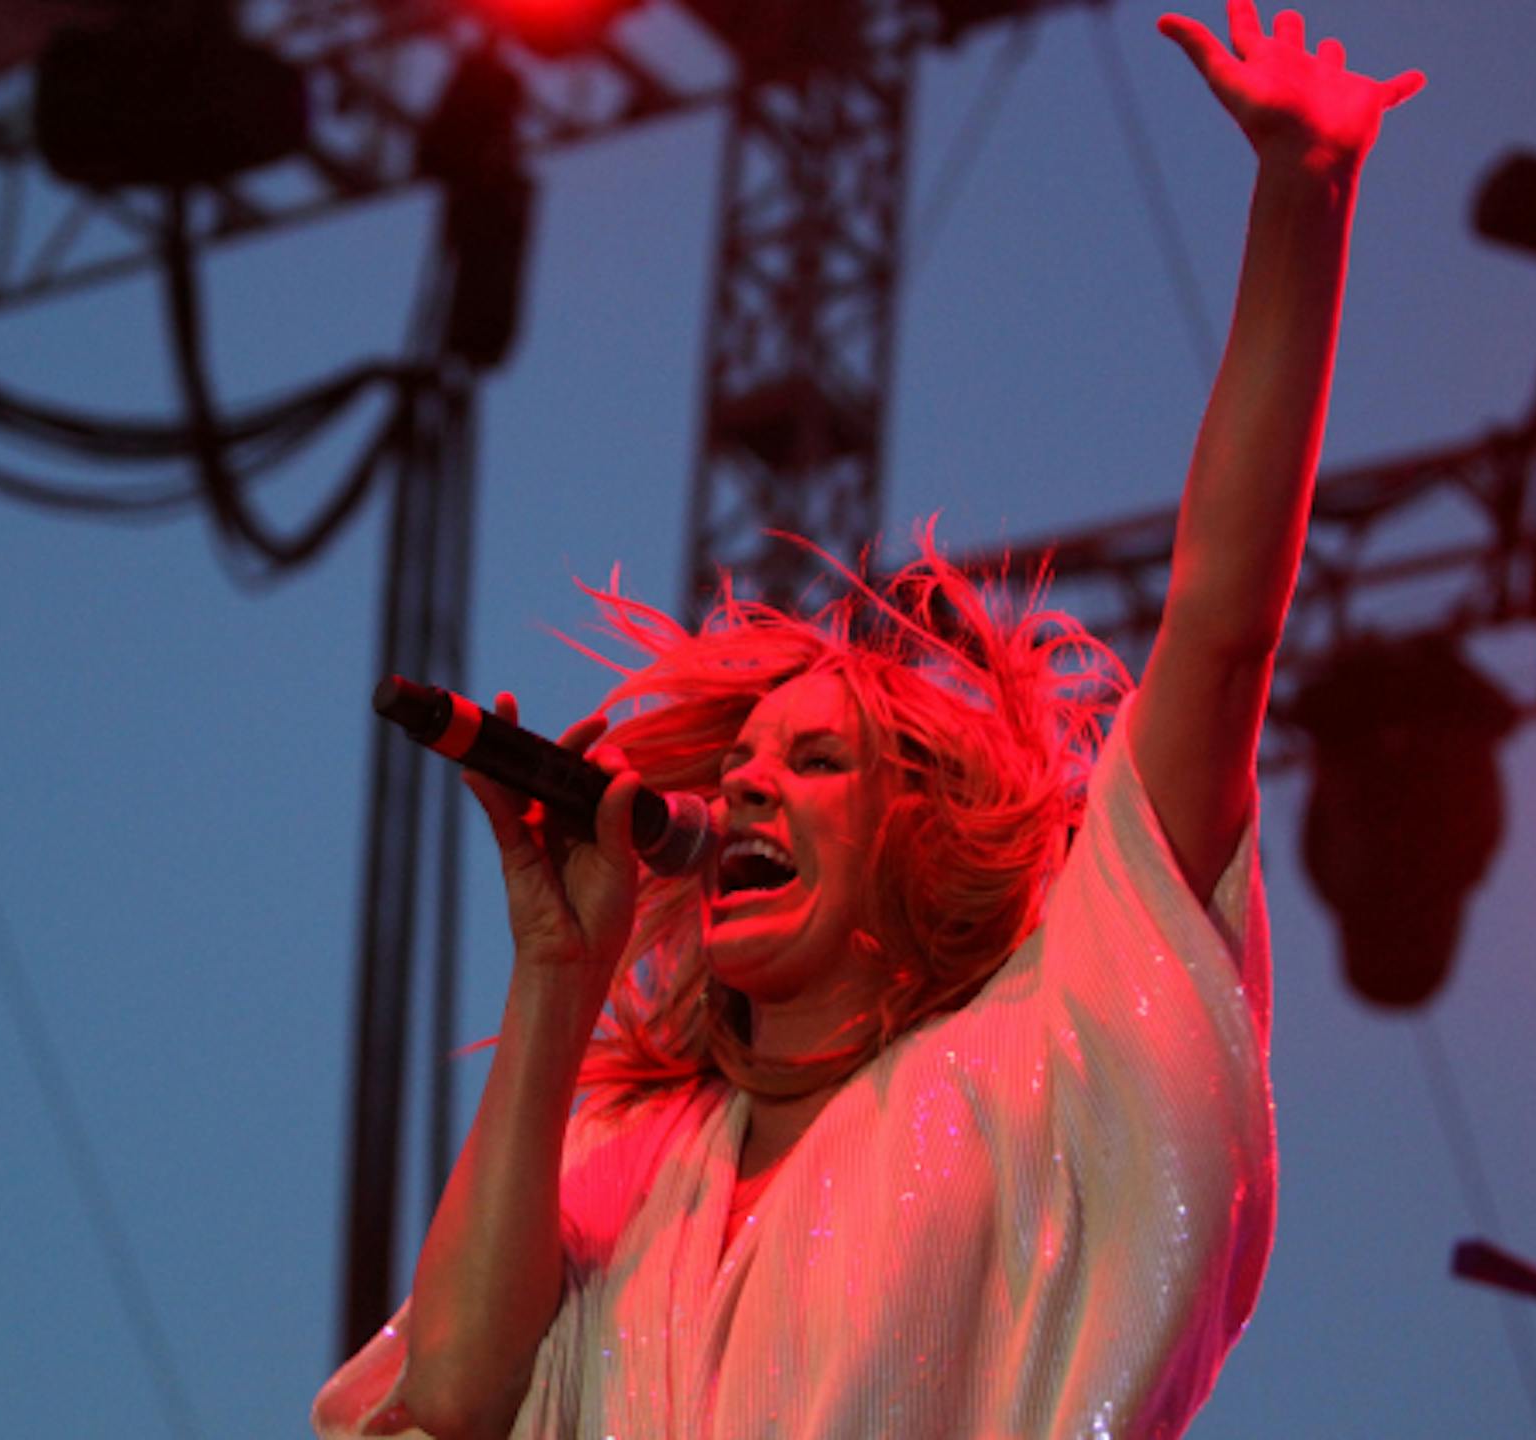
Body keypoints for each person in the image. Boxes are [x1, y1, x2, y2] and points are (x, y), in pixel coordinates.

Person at [315, 4, 1424, 1436]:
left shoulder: (1032, 1057)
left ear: (926, 838)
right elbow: (445, 1406)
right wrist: (555, 974)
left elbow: (1218, 638)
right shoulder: (620, 1159)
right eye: (741, 763)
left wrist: (1304, 198)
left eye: (816, 758)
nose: (750, 790)